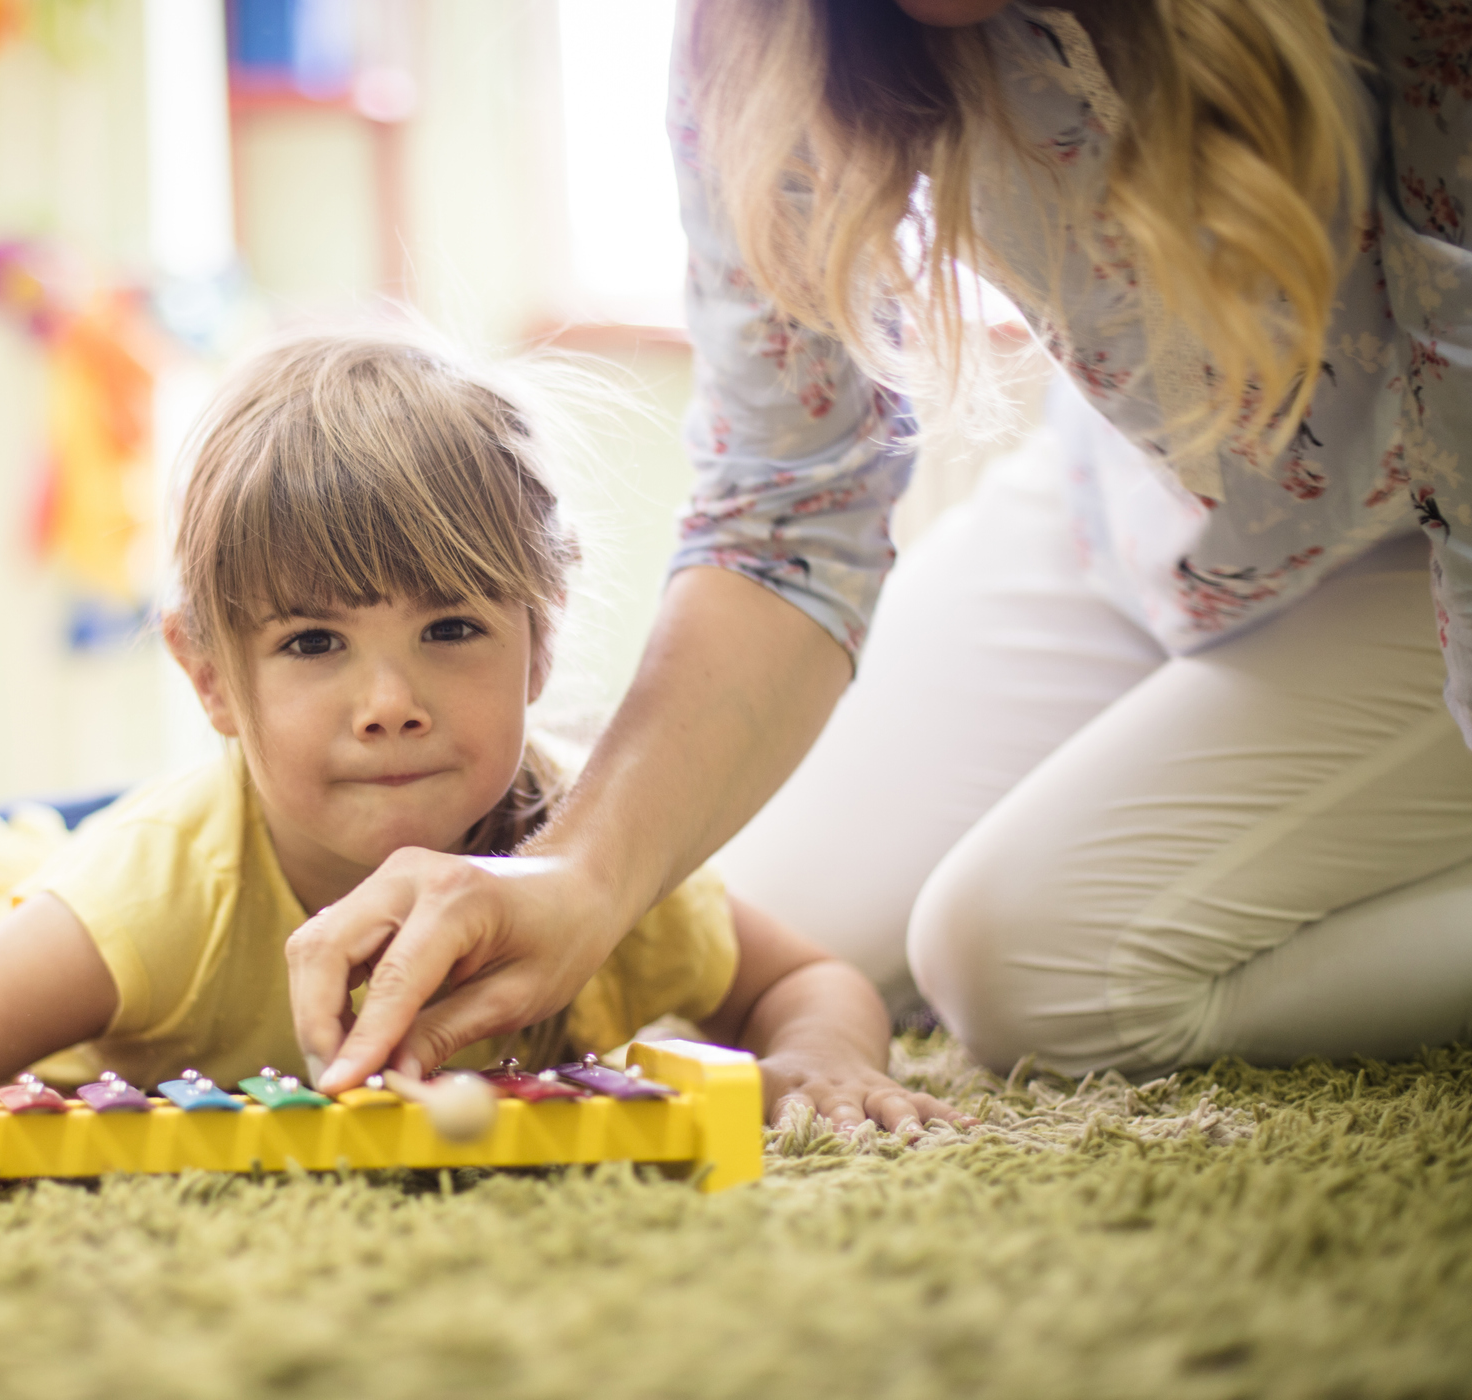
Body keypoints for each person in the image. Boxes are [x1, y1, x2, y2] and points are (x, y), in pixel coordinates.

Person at [287, 0, 1472, 1106]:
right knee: (741, 922)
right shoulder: (766, 39)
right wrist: (580, 873)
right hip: (1131, 511)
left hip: (1417, 549)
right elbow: (785, 512)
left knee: (1028, 962)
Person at [0, 328, 958, 1187]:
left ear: (542, 643)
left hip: (203, 821)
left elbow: (805, 978)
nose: (391, 699)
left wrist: (824, 1059)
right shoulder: (159, 900)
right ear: (208, 674)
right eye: (313, 644)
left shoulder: (600, 842)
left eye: (451, 626)